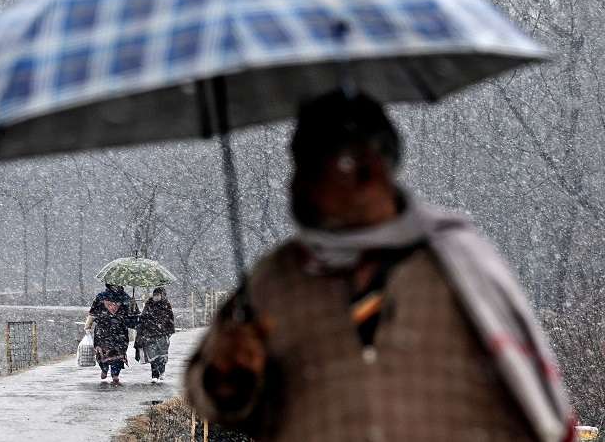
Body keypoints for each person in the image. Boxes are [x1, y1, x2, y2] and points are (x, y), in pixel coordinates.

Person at [185, 91, 575, 442]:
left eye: (314, 169)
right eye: (297, 167)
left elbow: (533, 399)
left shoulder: (459, 265)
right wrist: (228, 376)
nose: (296, 186)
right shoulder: (277, 279)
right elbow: (212, 398)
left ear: (369, 168)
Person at [85, 283, 134, 385]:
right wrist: (88, 326)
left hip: (117, 331)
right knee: (102, 351)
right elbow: (92, 313)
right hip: (105, 330)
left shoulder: (126, 298)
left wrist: (132, 305)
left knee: (118, 352)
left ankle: (115, 374)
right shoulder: (102, 297)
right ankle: (105, 369)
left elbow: (131, 315)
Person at [135, 287, 175, 383]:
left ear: (163, 295)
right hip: (150, 334)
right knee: (152, 355)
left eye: (158, 295)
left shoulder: (166, 305)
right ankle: (154, 374)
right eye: (155, 295)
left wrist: (168, 331)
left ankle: (162, 371)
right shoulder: (149, 304)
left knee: (161, 355)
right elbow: (143, 318)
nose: (156, 297)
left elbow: (170, 319)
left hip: (162, 334)